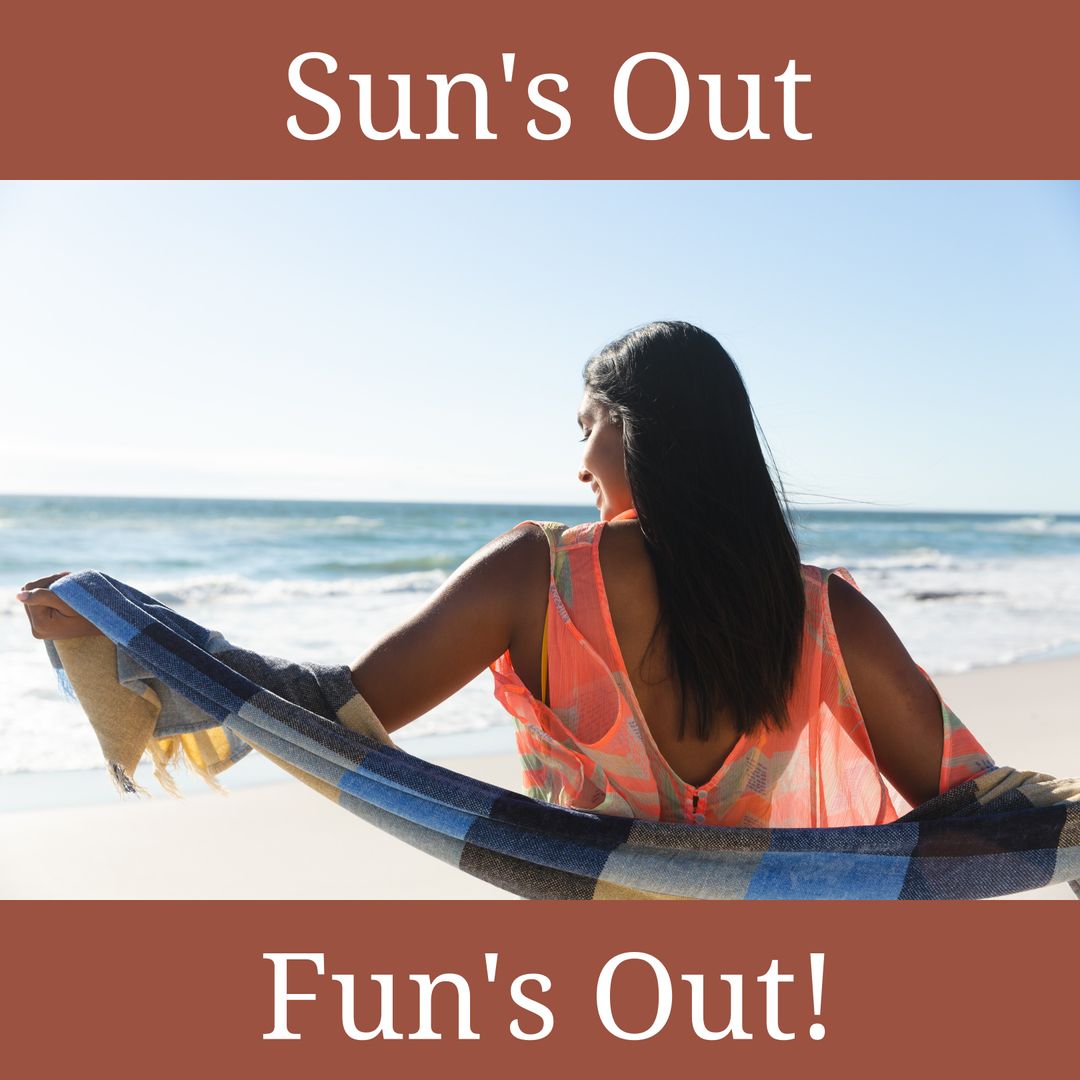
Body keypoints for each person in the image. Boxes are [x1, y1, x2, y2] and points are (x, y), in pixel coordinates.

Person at [17, 320, 994, 828]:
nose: (579, 464)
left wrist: (123, 625)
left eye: (587, 428)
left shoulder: (536, 579)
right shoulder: (827, 615)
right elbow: (980, 807)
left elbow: (328, 709)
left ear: (632, 429)